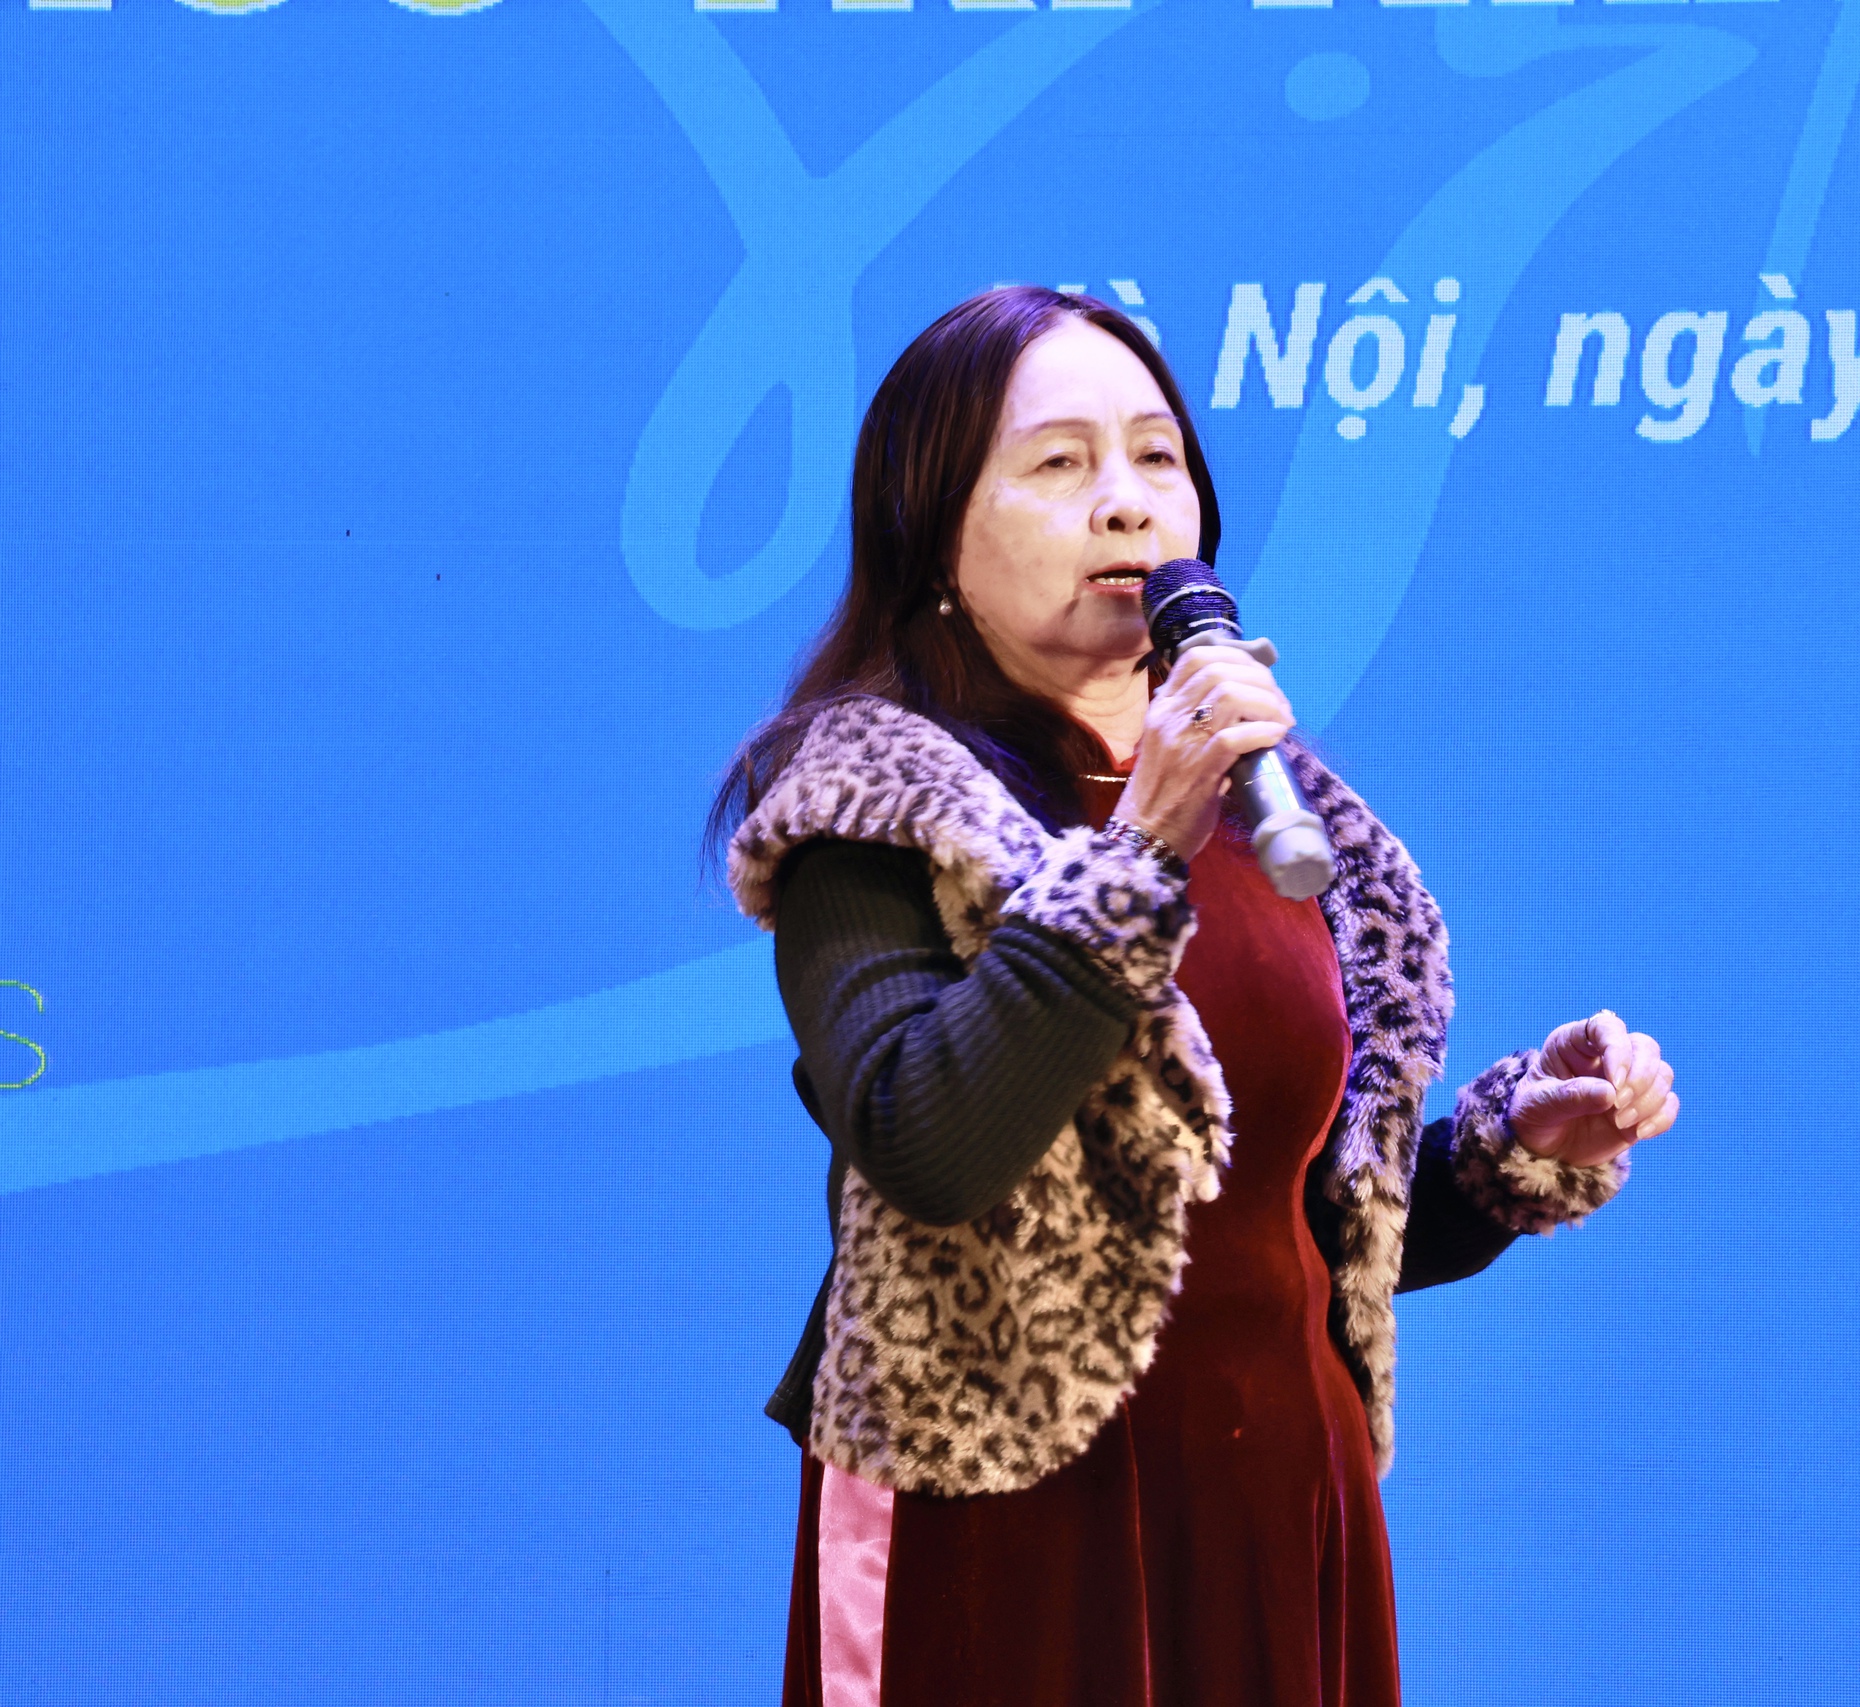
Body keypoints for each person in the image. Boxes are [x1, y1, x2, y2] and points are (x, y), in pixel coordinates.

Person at [703, 286, 1681, 1706]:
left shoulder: (1278, 818)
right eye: (1059, 463)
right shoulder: (872, 806)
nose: (1127, 502)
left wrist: (1515, 1145)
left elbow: (1270, 1227)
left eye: (1157, 457)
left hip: (1272, 1493)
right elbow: (931, 1146)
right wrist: (1139, 848)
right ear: (932, 542)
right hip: (1007, 1514)